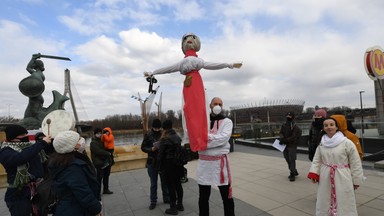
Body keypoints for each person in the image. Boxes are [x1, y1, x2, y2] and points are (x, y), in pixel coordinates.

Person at [144, 33, 242, 152]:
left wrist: (229, 64)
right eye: (187, 39)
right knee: (189, 111)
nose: (189, 40)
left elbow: (212, 65)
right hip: (188, 86)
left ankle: (201, 139)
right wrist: (153, 72)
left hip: (196, 84)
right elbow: (168, 69)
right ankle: (194, 140)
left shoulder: (198, 61)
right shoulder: (182, 63)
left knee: (199, 110)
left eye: (192, 39)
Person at [307, 117, 364, 216]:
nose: (329, 127)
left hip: (342, 175)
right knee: (325, 198)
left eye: (331, 125)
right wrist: (314, 173)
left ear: (337, 127)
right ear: (323, 128)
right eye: (326, 125)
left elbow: (355, 162)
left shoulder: (347, 143)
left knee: (344, 198)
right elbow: (317, 159)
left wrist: (356, 180)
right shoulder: (322, 144)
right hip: (326, 176)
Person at [0, 124, 52, 216]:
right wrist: (41, 143)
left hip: (37, 191)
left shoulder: (30, 147)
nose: (26, 137)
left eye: (26, 134)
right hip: (18, 194)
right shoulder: (5, 151)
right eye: (22, 135)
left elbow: (45, 154)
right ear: (13, 138)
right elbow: (20, 158)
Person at [48, 130, 102, 216]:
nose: (82, 140)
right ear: (73, 146)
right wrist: (96, 209)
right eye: (79, 139)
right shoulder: (73, 166)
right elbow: (83, 192)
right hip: (76, 210)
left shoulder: (60, 161)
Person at [196, 97, 235, 216]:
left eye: (220, 104)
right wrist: (210, 140)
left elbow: (223, 139)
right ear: (210, 105)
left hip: (220, 164)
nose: (218, 106)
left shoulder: (227, 122)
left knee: (226, 197)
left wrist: (205, 140)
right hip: (204, 165)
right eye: (215, 103)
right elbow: (195, 141)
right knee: (203, 197)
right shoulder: (202, 121)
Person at [141, 119, 170, 210]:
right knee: (153, 183)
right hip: (151, 161)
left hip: (161, 161)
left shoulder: (163, 134)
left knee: (164, 182)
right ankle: (153, 201)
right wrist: (151, 149)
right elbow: (143, 147)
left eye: (158, 128)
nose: (157, 129)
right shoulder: (148, 134)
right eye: (155, 128)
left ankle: (166, 198)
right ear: (152, 127)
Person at [157, 119, 184, 215]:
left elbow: (160, 155)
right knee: (178, 184)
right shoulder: (177, 136)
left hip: (168, 165)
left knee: (170, 186)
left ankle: (173, 208)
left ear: (164, 128)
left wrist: (158, 167)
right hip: (178, 164)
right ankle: (180, 205)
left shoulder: (164, 139)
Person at [279, 112, 302, 182]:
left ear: (293, 117)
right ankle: (294, 170)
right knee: (287, 159)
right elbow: (281, 132)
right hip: (285, 145)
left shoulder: (295, 126)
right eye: (287, 115)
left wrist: (286, 140)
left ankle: (292, 174)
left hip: (292, 145)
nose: (288, 117)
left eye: (290, 116)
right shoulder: (284, 125)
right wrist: (282, 138)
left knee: (292, 159)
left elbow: (294, 136)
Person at [90, 128, 114, 195]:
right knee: (99, 177)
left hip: (106, 162)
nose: (100, 134)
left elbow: (109, 147)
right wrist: (107, 153)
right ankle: (97, 192)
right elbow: (98, 151)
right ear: (95, 134)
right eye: (98, 133)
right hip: (99, 163)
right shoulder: (93, 143)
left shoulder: (103, 141)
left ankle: (106, 189)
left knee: (106, 176)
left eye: (100, 133)